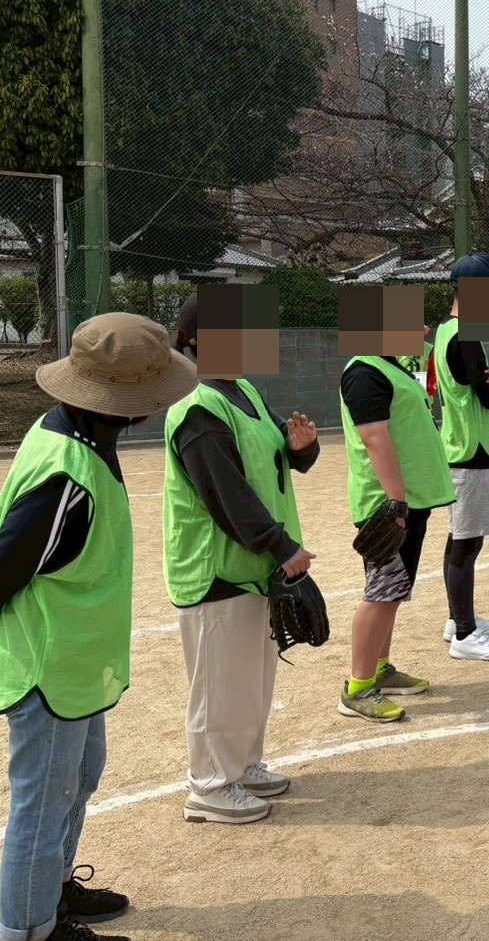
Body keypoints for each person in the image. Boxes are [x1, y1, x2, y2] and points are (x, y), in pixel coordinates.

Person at [0, 313, 196, 941]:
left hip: (77, 661)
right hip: (49, 665)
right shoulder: (66, 478)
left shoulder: (77, 436)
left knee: (78, 779)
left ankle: (52, 890)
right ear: (126, 403)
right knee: (40, 802)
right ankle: (29, 927)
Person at [163, 295, 320, 825]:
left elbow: (279, 455)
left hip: (253, 568)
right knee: (219, 684)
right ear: (200, 340)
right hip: (217, 570)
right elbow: (227, 496)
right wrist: (283, 547)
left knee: (253, 678)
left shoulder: (244, 390)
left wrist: (301, 447)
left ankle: (244, 764)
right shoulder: (198, 408)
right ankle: (209, 785)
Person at [338, 324, 457, 723]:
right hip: (386, 505)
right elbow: (374, 437)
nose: (421, 328)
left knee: (395, 591)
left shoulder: (390, 366)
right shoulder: (364, 371)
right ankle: (358, 687)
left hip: (407, 501)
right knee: (383, 591)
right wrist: (396, 501)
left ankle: (380, 669)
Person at [433, 254, 489, 663]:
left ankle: (457, 619)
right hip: (472, 451)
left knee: (461, 539)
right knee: (467, 543)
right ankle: (464, 634)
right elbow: (487, 394)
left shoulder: (450, 332)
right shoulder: (465, 333)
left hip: (463, 448)